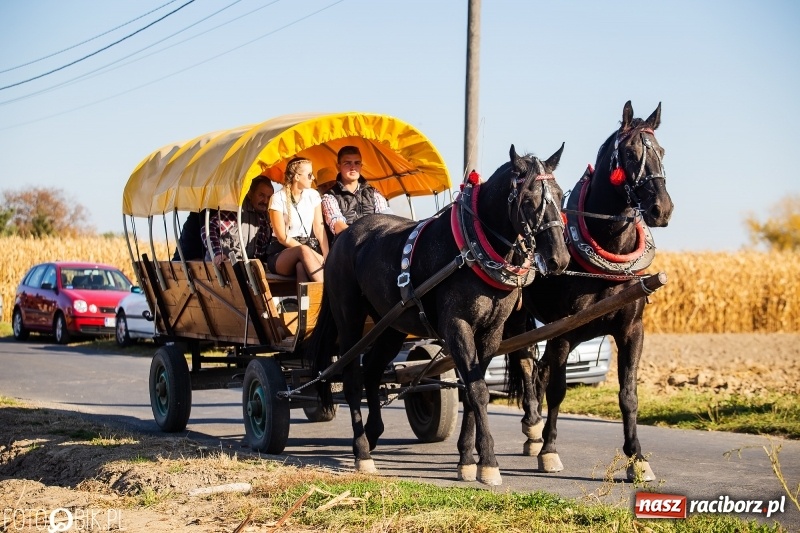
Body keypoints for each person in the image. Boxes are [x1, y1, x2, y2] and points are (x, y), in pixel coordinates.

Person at [265, 157, 328, 282]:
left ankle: (305, 301)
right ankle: (330, 294)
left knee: (301, 266)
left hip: (307, 248)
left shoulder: (313, 195)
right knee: (303, 250)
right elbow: (282, 237)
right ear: (297, 177)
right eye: (310, 175)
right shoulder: (278, 198)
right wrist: (312, 254)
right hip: (282, 253)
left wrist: (327, 256)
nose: (313, 178)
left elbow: (319, 229)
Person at [321, 145, 392, 241]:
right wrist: (361, 240)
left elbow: (388, 218)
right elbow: (337, 224)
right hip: (346, 248)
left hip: (375, 245)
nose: (353, 167)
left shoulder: (374, 193)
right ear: (338, 166)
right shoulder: (329, 196)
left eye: (357, 163)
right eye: (347, 163)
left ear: (361, 166)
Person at [201, 177, 274, 267]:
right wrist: (217, 253)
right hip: (223, 268)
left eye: (269, 197)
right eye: (261, 195)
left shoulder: (267, 218)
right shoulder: (237, 211)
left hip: (248, 270)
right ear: (250, 194)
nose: (266, 201)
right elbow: (208, 229)